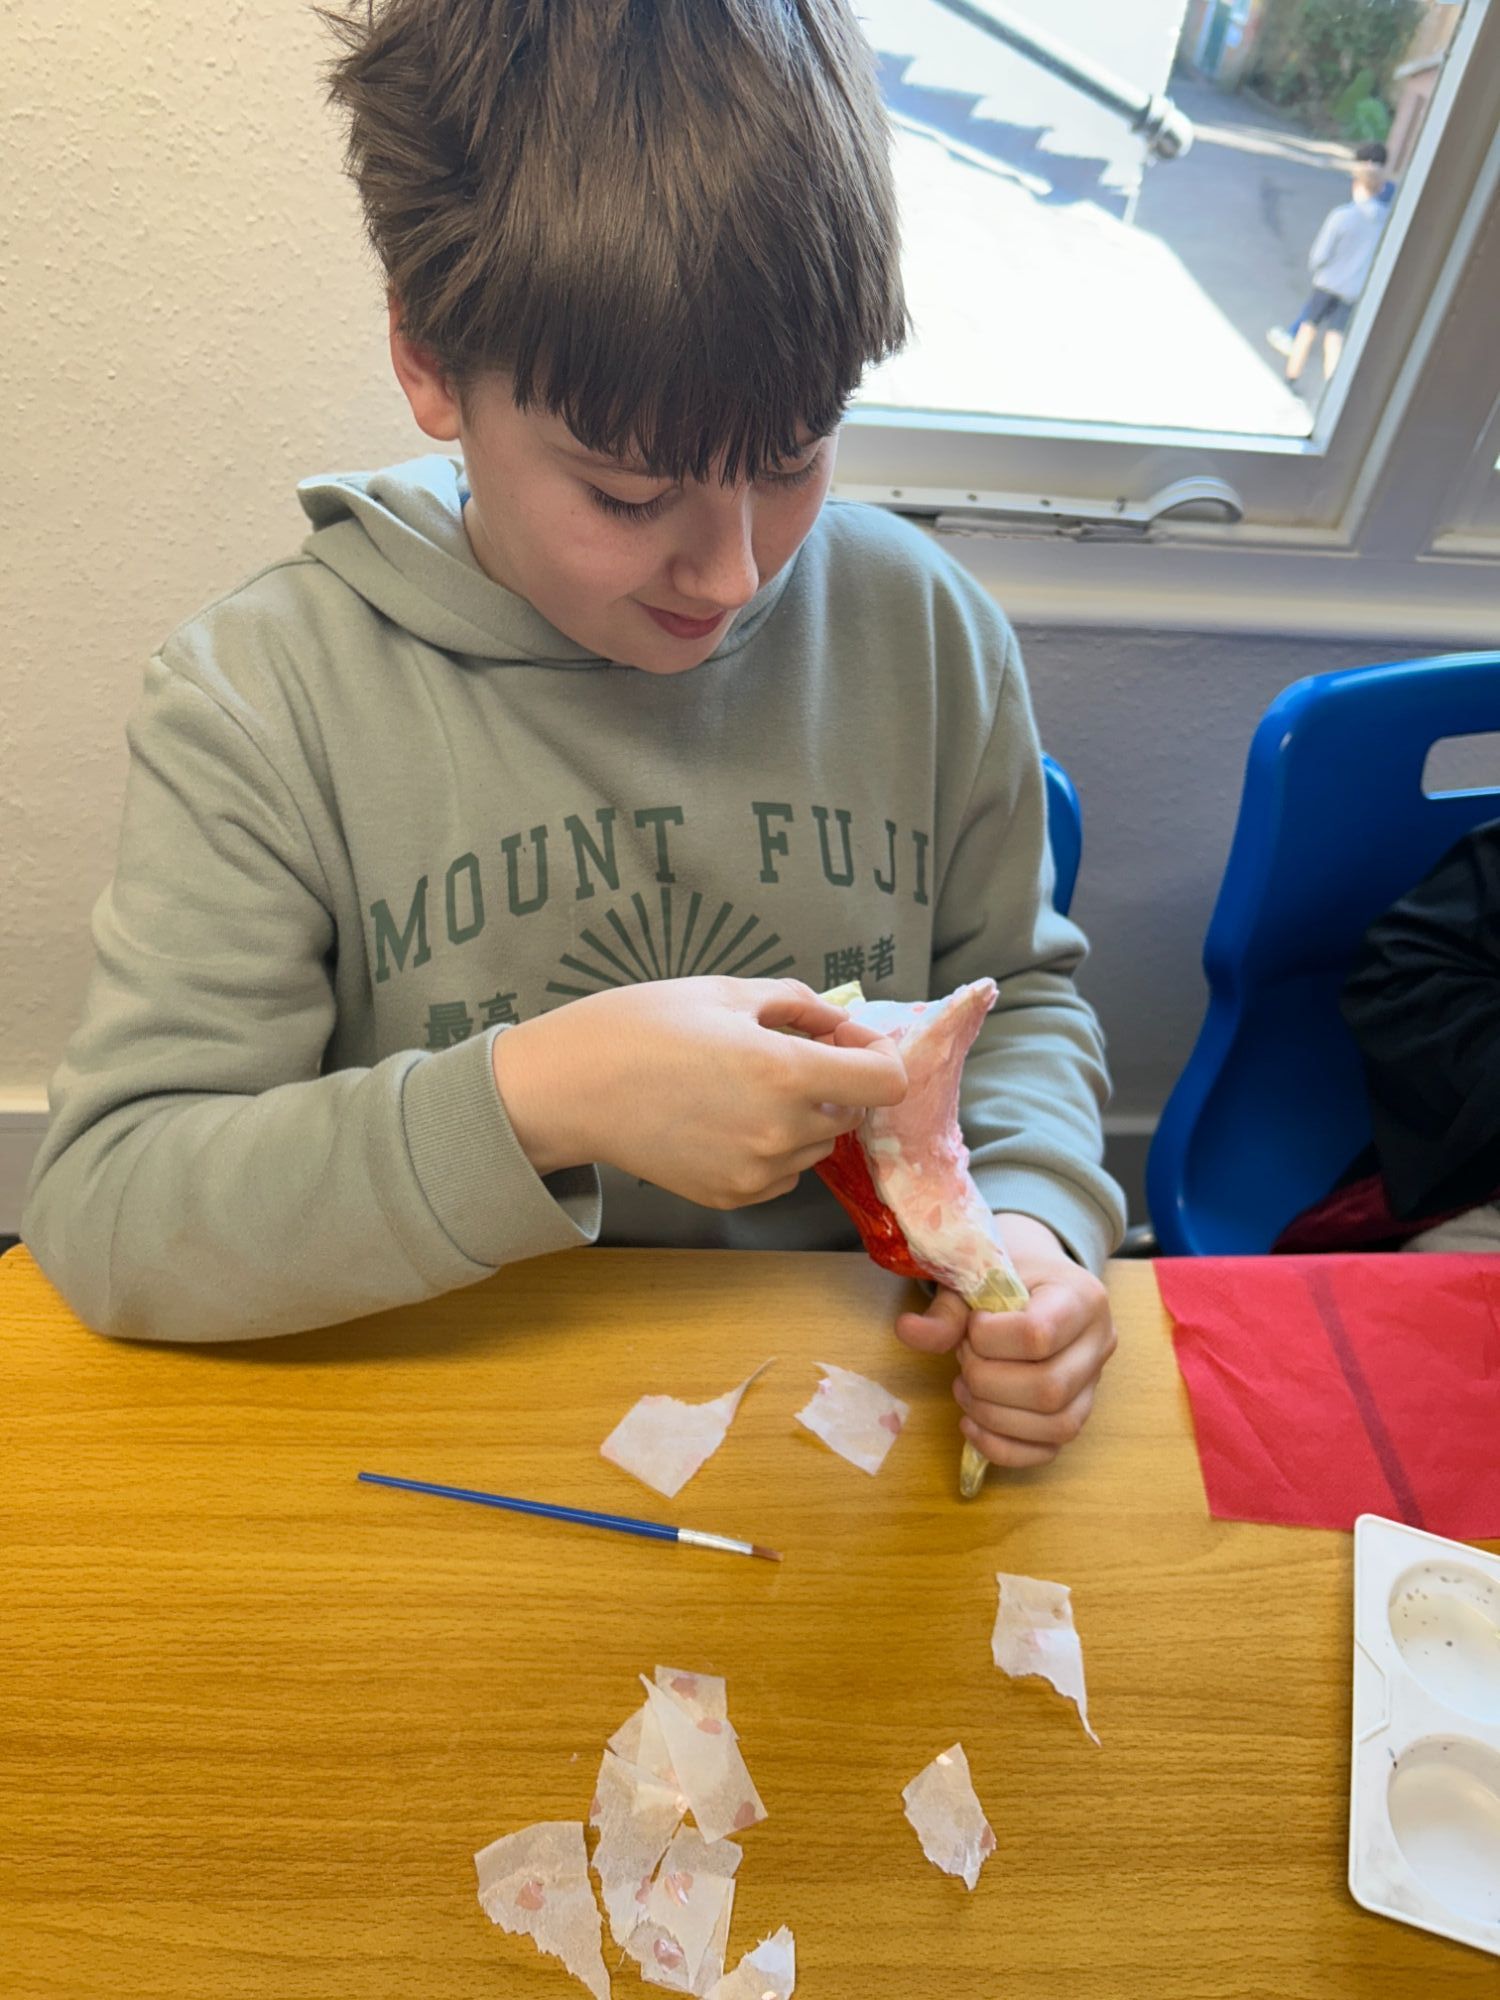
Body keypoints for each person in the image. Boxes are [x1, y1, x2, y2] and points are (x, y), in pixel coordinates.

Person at [21, 0, 1125, 1472]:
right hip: (445, 1433)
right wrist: (540, 1096)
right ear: (430, 371)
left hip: (847, 1418)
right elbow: (111, 1209)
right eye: (626, 494)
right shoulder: (264, 700)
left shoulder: (923, 631)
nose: (734, 576)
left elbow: (1023, 1009)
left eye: (795, 460)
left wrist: (1039, 1229)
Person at [1266, 146, 1394, 370]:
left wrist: (1318, 266)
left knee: (1309, 325)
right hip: (1357, 282)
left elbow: (1322, 251)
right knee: (1335, 336)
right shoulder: (1387, 203)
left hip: (1332, 276)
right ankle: (1330, 378)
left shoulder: (1345, 214)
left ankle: (1292, 365)